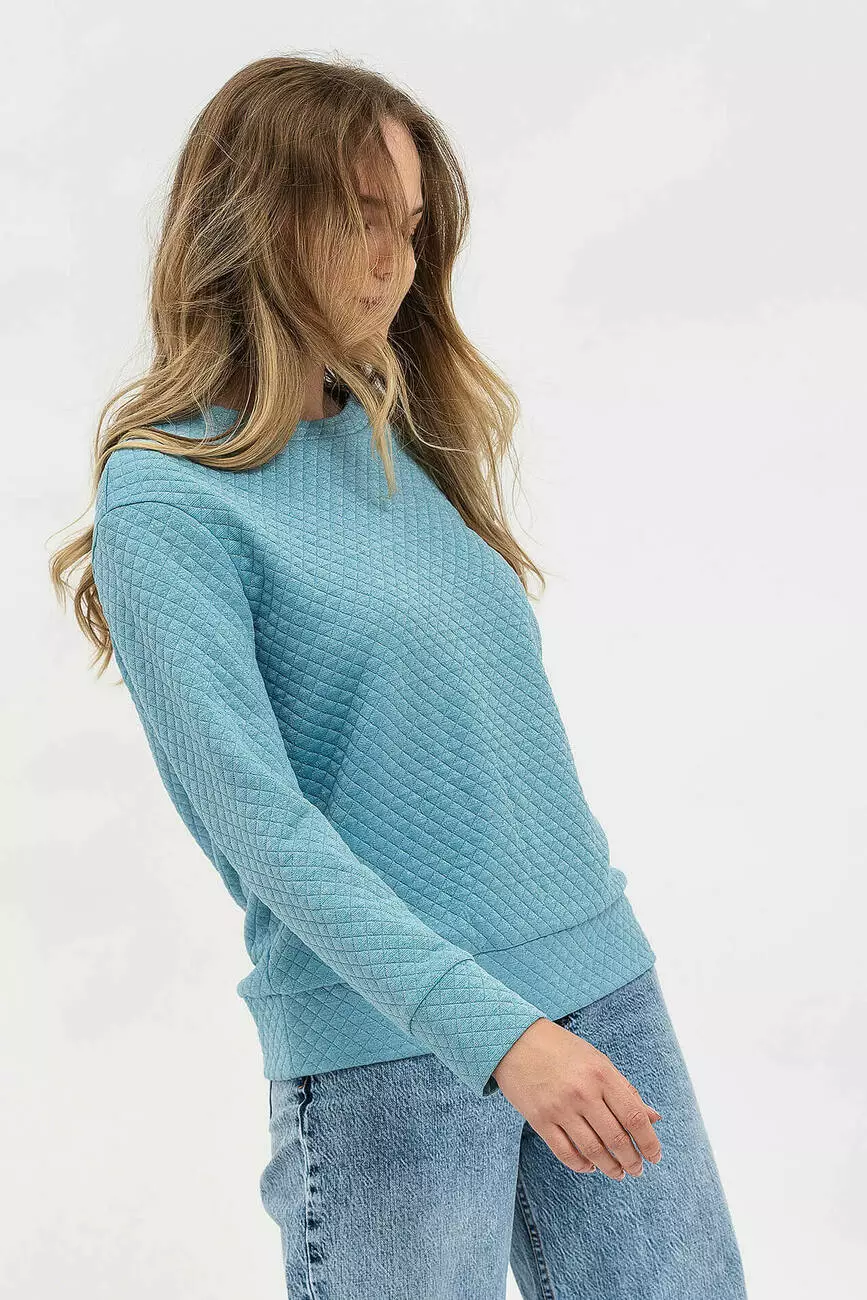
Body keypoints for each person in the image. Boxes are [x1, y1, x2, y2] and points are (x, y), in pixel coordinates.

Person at [50, 54, 748, 1300]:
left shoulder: (400, 439)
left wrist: (568, 989)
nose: (396, 263)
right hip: (386, 1046)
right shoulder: (166, 497)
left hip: (599, 988)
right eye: (362, 216)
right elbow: (262, 827)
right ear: (256, 218)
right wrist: (495, 1032)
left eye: (413, 227)